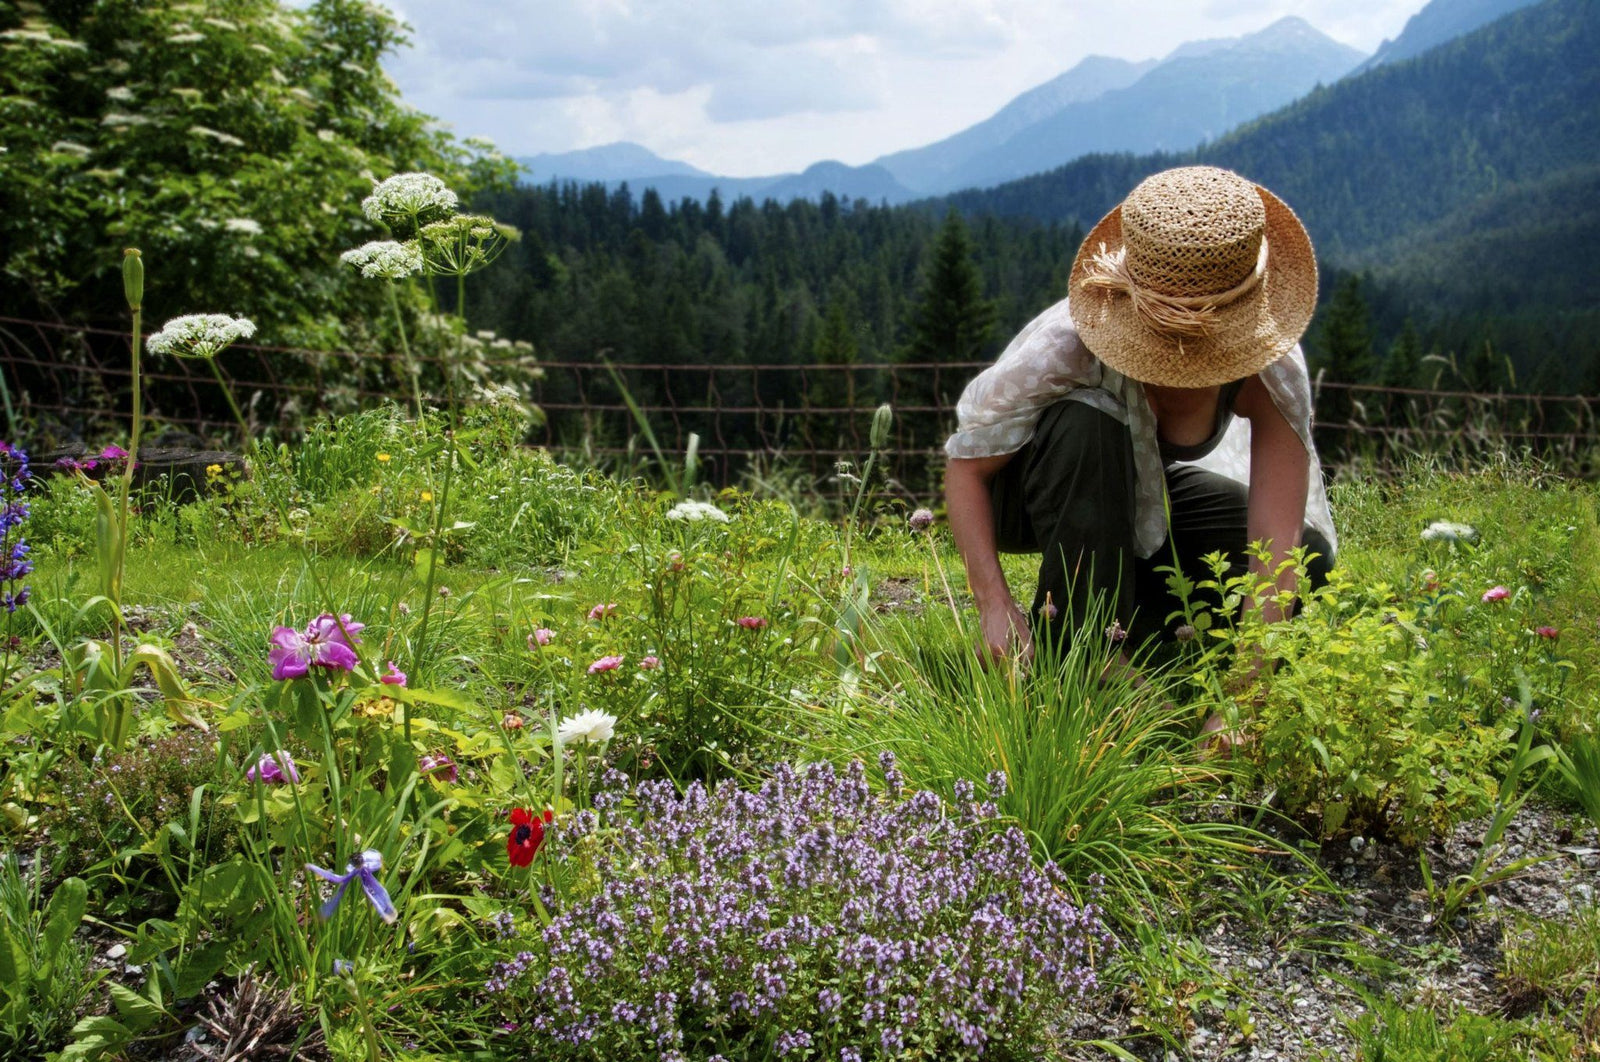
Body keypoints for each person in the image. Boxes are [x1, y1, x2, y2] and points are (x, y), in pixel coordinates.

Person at [943, 165, 1337, 699]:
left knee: (1307, 555)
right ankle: (1088, 652)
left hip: (1135, 494)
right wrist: (993, 602)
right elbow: (966, 469)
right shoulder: (1069, 344)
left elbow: (1274, 541)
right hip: (1034, 493)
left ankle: (1129, 625)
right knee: (1090, 420)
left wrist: (1244, 692)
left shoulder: (1270, 366)